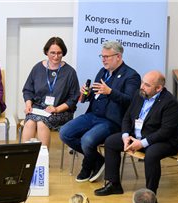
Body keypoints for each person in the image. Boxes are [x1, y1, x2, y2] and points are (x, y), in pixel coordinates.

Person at [60, 40, 141, 183]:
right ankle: (98, 160)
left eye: (107, 56)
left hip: (112, 121)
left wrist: (110, 92)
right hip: (93, 115)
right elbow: (96, 94)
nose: (103, 59)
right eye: (102, 56)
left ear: (118, 56)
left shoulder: (131, 76)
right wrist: (87, 93)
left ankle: (87, 165)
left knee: (87, 140)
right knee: (65, 132)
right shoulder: (102, 72)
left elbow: (130, 101)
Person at [95, 70, 178, 197]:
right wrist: (125, 136)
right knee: (110, 142)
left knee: (152, 154)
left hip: (165, 140)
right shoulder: (140, 94)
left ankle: (150, 195)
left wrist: (141, 143)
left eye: (147, 85)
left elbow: (166, 132)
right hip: (138, 136)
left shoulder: (170, 103)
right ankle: (113, 184)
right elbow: (127, 117)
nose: (142, 86)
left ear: (158, 88)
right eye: (142, 82)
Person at [21, 37, 79, 147]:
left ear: (63, 53)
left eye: (59, 53)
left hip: (60, 111)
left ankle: (43, 161)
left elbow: (73, 98)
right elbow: (28, 90)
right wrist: (28, 105)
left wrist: (56, 109)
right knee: (29, 123)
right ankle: (26, 160)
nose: (56, 56)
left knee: (42, 123)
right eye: (52, 53)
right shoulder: (38, 68)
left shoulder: (70, 72)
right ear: (46, 52)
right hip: (38, 108)